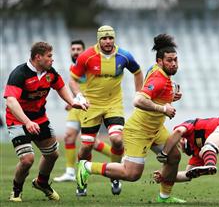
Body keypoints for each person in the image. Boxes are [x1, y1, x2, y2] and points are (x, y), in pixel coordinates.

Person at [76, 34, 186, 203]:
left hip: (156, 129)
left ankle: (164, 197)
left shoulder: (156, 70)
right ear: (159, 62)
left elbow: (155, 92)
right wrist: (163, 108)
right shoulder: (158, 78)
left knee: (174, 157)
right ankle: (87, 167)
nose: (173, 64)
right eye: (169, 60)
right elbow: (138, 100)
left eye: (175, 60)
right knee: (131, 174)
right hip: (139, 131)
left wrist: (171, 95)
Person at [4, 41, 88, 202]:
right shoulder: (20, 73)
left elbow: (61, 87)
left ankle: (41, 183)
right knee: (27, 160)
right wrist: (27, 122)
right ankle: (16, 190)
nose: (52, 59)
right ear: (38, 57)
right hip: (17, 120)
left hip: (40, 118)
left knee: (52, 154)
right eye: (49, 56)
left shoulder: (50, 72)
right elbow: (11, 102)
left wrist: (72, 102)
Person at [69, 25, 144, 196]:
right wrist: (79, 96)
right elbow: (72, 80)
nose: (108, 41)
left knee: (117, 140)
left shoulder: (124, 55)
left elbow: (137, 72)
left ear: (114, 39)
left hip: (114, 103)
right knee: (86, 147)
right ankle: (82, 179)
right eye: (104, 38)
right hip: (91, 105)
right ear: (99, 39)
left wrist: (139, 93)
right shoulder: (87, 56)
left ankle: (115, 176)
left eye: (110, 38)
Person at [54, 40, 112, 183]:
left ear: (84, 51)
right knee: (69, 136)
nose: (75, 51)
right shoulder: (72, 67)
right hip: (77, 107)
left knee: (92, 143)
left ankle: (119, 156)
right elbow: (76, 86)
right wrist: (72, 101)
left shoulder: (90, 65)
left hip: (90, 107)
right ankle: (69, 172)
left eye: (78, 49)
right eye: (73, 49)